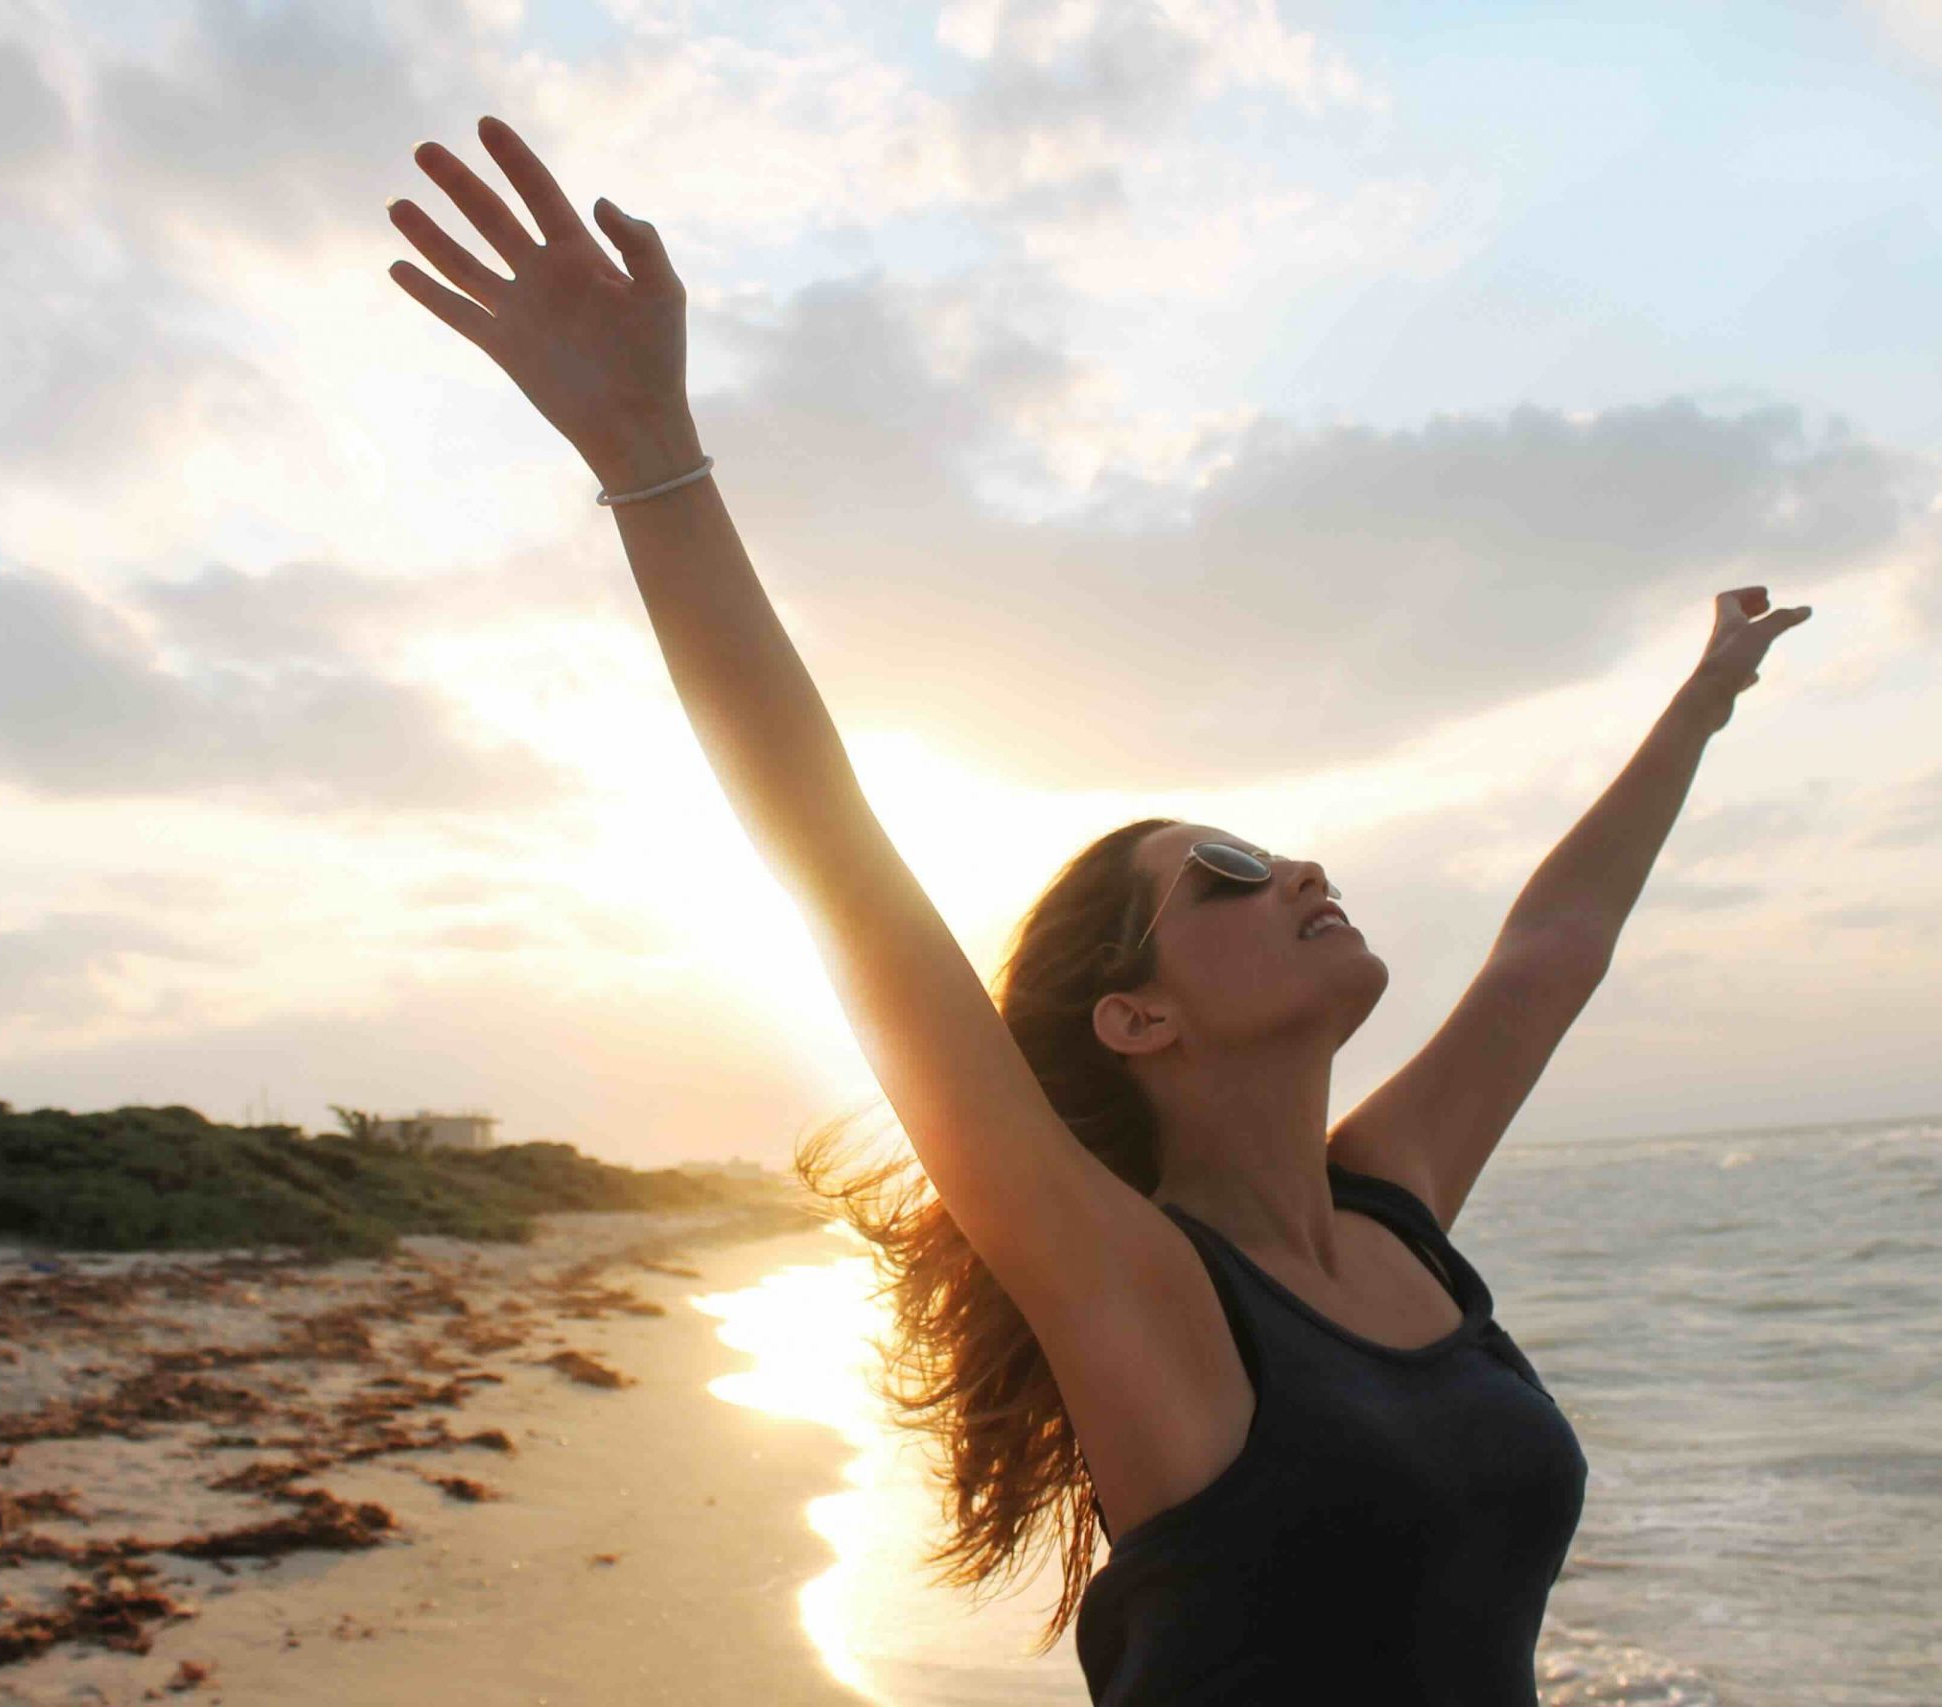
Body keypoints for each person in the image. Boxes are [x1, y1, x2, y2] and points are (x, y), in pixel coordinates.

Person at [386, 117, 1813, 1705]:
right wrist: (650, 453)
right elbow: (845, 875)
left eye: (1272, 852)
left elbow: (1552, 954)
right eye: (1225, 876)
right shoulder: (1140, 1291)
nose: (1298, 871)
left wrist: (1699, 708)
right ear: (1136, 1018)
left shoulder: (1393, 1212)